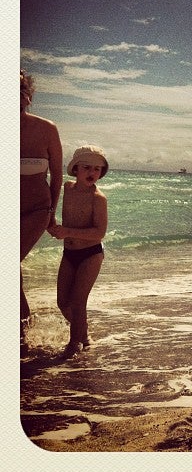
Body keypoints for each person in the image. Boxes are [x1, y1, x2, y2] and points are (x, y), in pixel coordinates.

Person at [48, 146, 109, 359]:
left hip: (91, 254)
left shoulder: (98, 198)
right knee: (63, 302)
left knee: (78, 300)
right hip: (69, 253)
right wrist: (50, 223)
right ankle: (83, 335)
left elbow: (99, 233)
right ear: (75, 168)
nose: (92, 173)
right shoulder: (67, 188)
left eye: (97, 169)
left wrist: (67, 231)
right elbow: (51, 205)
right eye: (87, 167)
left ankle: (74, 345)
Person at [20, 70, 63, 340]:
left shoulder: (47, 129)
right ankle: (23, 329)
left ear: (28, 95)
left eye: (21, 89)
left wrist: (52, 213)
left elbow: (58, 175)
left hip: (37, 208)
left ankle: (20, 332)